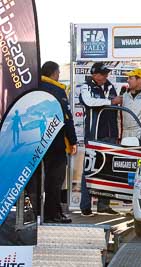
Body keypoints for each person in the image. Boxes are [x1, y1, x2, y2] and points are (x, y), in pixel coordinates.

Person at [79, 62, 122, 216]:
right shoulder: (85, 87)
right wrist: (110, 102)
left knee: (108, 170)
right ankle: (85, 206)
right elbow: (89, 102)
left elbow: (117, 110)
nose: (105, 76)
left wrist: (117, 135)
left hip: (110, 135)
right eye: (103, 74)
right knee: (90, 170)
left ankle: (104, 205)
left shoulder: (110, 86)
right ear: (94, 74)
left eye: (106, 74)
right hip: (93, 135)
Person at [39, 61, 78, 223]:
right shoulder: (57, 90)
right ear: (54, 73)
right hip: (55, 142)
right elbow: (66, 118)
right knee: (55, 180)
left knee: (38, 181)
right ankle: (53, 214)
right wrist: (73, 140)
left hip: (36, 141)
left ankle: (37, 213)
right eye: (59, 72)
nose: (59, 75)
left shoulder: (34, 87)